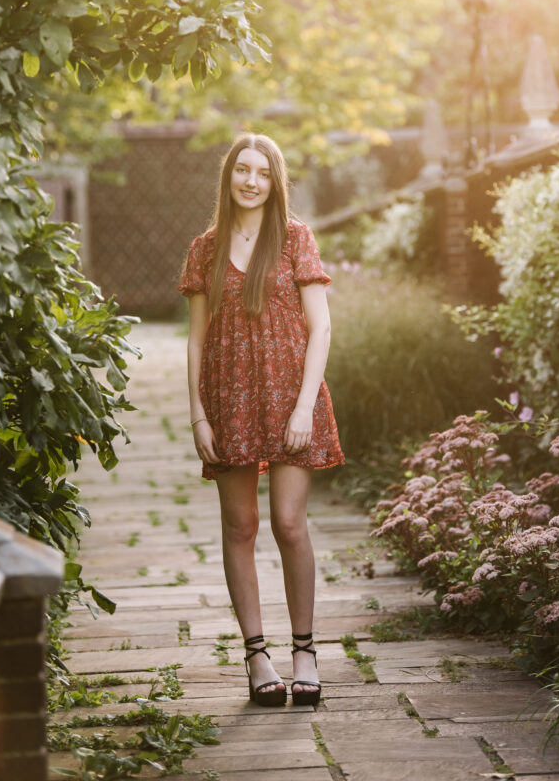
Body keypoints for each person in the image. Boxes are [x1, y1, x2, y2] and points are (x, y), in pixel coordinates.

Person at [178, 133, 344, 708]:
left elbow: (320, 327)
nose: (251, 181)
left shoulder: (296, 238)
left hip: (290, 397)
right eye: (241, 170)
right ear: (229, 178)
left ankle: (305, 652)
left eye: (262, 173)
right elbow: (197, 337)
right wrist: (198, 413)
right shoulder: (204, 248)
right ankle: (257, 657)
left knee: (289, 523)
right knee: (240, 525)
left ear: (276, 183)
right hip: (230, 398)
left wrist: (303, 406)